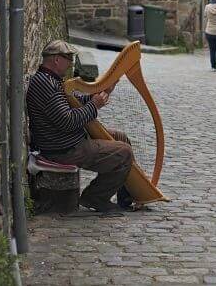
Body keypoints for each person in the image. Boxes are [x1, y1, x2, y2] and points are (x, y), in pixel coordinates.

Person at [25, 40, 135, 213]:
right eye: (68, 58)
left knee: (121, 137)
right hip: (65, 149)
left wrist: (105, 90)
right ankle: (95, 197)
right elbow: (68, 122)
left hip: (70, 140)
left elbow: (76, 102)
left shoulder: (52, 80)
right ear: (56, 60)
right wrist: (94, 106)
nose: (71, 63)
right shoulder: (47, 85)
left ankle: (126, 195)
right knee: (124, 151)